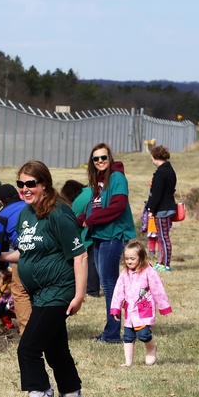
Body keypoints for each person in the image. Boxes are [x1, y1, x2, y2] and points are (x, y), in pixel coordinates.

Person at [0, 161, 87, 397]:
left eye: (31, 184)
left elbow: (80, 255)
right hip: (39, 293)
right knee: (57, 352)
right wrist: (0, 255)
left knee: (27, 349)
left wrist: (79, 295)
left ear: (44, 184)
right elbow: (25, 252)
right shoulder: (26, 214)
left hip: (58, 292)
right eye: (21, 184)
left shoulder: (59, 213)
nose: (25, 189)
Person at [79, 143, 136, 344]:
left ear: (109, 158)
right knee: (108, 284)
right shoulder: (99, 182)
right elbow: (93, 209)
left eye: (104, 157)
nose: (100, 161)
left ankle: (112, 333)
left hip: (114, 236)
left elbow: (117, 206)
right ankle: (111, 330)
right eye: (96, 159)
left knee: (110, 285)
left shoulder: (116, 177)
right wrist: (78, 219)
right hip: (101, 236)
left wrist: (91, 220)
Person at [109, 241, 172, 367]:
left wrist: (163, 306)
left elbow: (158, 289)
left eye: (132, 258)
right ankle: (128, 362)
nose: (129, 261)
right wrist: (115, 308)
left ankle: (151, 347)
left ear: (141, 258)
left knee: (143, 334)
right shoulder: (124, 274)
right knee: (128, 336)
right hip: (129, 312)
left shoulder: (149, 272)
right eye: (127, 258)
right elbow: (118, 291)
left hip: (143, 310)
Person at [0, 183, 30, 333]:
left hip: (24, 254)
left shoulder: (1, 216)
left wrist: (2, 270)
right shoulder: (29, 205)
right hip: (44, 252)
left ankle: (27, 333)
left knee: (20, 292)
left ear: (1, 202)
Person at [61, 179, 100, 298]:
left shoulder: (78, 202)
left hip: (90, 232)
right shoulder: (90, 190)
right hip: (100, 229)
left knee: (90, 262)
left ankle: (92, 289)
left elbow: (74, 223)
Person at [146, 145, 178, 271]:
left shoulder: (160, 173)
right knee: (162, 236)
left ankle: (165, 263)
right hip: (168, 206)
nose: (152, 162)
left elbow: (156, 194)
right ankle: (161, 261)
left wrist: (151, 210)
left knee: (163, 237)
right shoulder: (170, 170)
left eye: (152, 159)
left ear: (156, 157)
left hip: (162, 209)